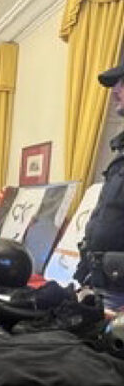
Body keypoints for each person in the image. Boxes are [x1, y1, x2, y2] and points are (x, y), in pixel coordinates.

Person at [77, 61, 124, 311]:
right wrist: (84, 274)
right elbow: (106, 215)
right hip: (101, 283)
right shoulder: (120, 151)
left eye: (123, 83)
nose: (115, 90)